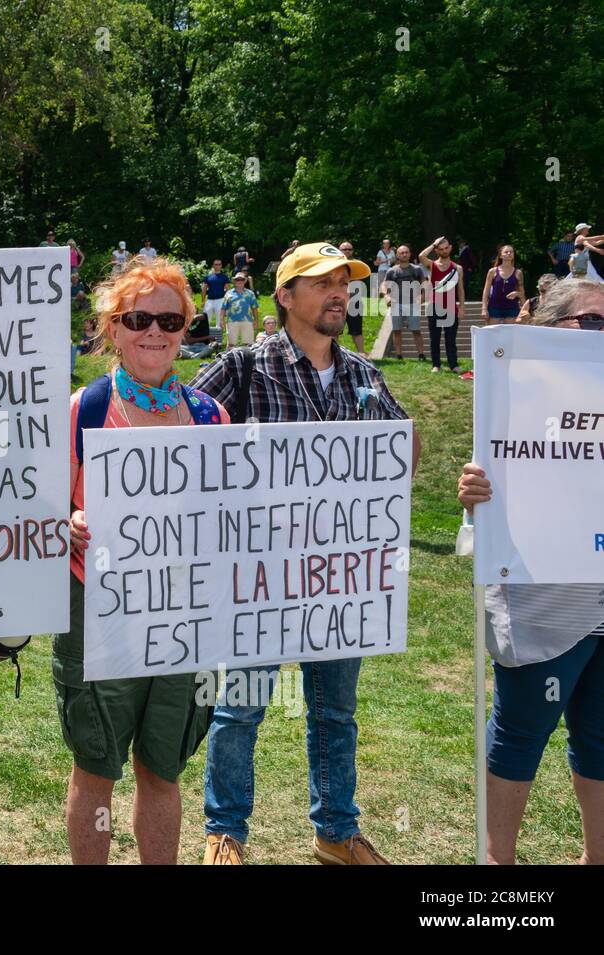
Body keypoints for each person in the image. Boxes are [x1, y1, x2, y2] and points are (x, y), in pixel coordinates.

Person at [191, 242, 421, 865]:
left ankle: (336, 833)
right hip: (253, 576)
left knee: (335, 713)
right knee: (238, 708)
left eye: (344, 281)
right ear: (285, 297)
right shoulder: (242, 368)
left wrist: (398, 444)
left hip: (339, 579)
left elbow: (404, 458)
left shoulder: (365, 376)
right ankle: (225, 833)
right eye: (321, 282)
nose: (339, 291)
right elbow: (177, 441)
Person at [62, 256, 224, 864]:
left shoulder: (211, 417)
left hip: (185, 615)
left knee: (163, 766)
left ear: (187, 327)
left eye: (170, 318)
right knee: (96, 764)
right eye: (137, 318)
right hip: (101, 613)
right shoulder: (84, 409)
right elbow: (38, 510)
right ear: (113, 328)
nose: (154, 330)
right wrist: (66, 524)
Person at [457, 277, 604, 866]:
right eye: (593, 322)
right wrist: (477, 497)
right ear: (551, 330)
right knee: (521, 735)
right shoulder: (514, 396)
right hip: (543, 603)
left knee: (599, 738)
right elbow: (500, 484)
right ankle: (500, 869)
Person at [418, 236, 465, 373]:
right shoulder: (432, 265)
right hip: (434, 305)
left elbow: (460, 289)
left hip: (451, 307)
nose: (444, 251)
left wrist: (461, 306)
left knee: (451, 339)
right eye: (441, 249)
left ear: (450, 248)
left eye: (446, 248)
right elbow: (421, 256)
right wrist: (433, 244)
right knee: (435, 338)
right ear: (437, 251)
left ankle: (453, 364)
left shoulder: (458, 268)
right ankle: (436, 364)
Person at [380, 244, 427, 360]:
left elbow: (425, 283)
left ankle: (421, 354)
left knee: (416, 330)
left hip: (412, 303)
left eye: (406, 252)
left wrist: (423, 295)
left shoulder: (417, 269)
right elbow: (384, 285)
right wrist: (386, 296)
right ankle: (399, 355)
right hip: (396, 304)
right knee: (397, 330)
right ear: (397, 255)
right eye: (402, 253)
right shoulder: (392, 271)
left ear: (410, 254)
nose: (404, 254)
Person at [482, 245, 524, 323]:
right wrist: (484, 309)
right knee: (492, 333)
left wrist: (517, 294)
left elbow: (522, 294)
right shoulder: (492, 271)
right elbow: (486, 291)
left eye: (511, 252)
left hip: (512, 308)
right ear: (501, 255)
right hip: (494, 307)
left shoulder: (518, 273)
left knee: (510, 334)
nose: (509, 253)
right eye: (506, 252)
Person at [339, 240, 367, 354]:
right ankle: (332, 354)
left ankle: (362, 354)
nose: (347, 251)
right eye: (344, 249)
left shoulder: (357, 265)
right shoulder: (332, 264)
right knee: (334, 330)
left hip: (355, 301)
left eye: (349, 249)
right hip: (338, 301)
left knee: (357, 331)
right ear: (339, 251)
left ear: (352, 251)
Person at [222, 271, 259, 347]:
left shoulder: (250, 293)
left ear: (245, 281)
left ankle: (249, 358)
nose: (239, 281)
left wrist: (256, 320)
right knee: (231, 344)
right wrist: (221, 320)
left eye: (241, 279)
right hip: (232, 321)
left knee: (249, 344)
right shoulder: (228, 293)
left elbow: (254, 307)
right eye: (237, 279)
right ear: (234, 281)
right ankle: (228, 358)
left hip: (247, 320)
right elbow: (223, 308)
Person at [200, 258, 230, 330]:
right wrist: (203, 301)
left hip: (220, 300)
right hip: (209, 300)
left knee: (219, 322)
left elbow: (227, 290)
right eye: (216, 264)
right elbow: (204, 289)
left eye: (219, 264)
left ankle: (218, 340)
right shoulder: (208, 277)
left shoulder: (224, 277)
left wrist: (227, 302)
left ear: (221, 266)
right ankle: (205, 339)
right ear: (213, 265)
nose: (217, 266)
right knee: (205, 320)